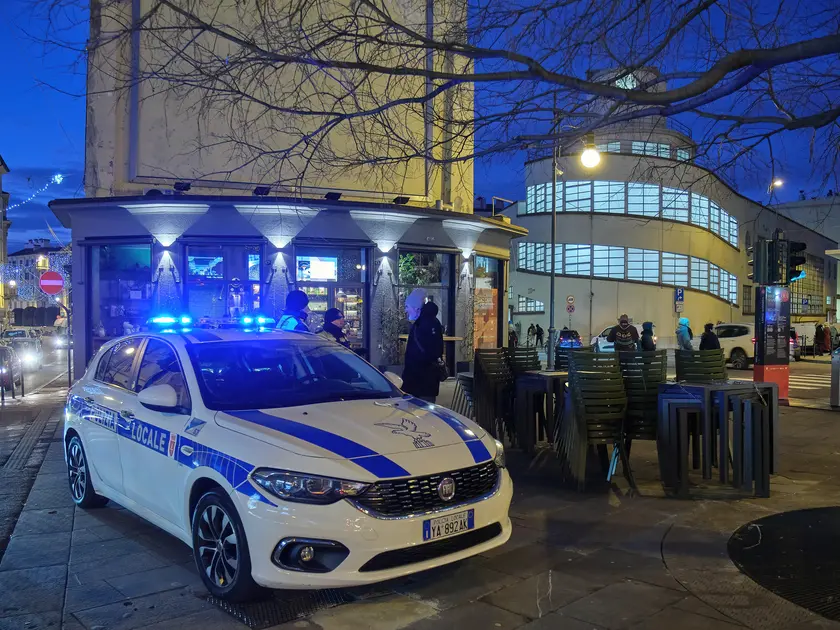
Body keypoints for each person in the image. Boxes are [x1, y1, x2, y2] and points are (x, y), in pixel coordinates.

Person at [402, 290, 444, 404]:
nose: (406, 310)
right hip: (425, 382)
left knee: (423, 414)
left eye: (407, 306)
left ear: (416, 308)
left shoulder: (422, 324)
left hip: (420, 381)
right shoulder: (430, 322)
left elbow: (427, 352)